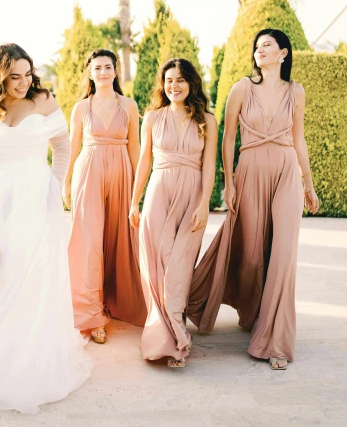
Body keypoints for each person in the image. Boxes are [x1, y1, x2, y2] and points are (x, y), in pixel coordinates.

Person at [0, 43, 91, 413]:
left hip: (36, 199)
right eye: (14, 76)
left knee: (31, 276)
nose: (23, 82)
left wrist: (55, 185)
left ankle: (29, 357)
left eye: (27, 74)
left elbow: (62, 145)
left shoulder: (44, 99)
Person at [187, 29, 320, 370]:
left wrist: (309, 183)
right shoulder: (242, 88)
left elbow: (299, 138)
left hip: (286, 172)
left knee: (283, 255)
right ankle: (248, 308)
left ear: (283, 54)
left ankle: (275, 341)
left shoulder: (297, 92)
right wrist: (228, 182)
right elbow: (228, 136)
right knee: (249, 255)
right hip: (249, 170)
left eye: (268, 46)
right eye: (257, 46)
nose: (260, 50)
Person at [129, 59, 217, 366]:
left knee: (179, 266)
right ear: (162, 84)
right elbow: (143, 162)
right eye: (168, 80)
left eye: (180, 80)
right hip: (159, 194)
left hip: (192, 195)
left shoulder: (207, 119)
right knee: (159, 265)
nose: (174, 86)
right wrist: (134, 200)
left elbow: (209, 166)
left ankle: (177, 328)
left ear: (191, 83)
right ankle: (168, 338)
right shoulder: (152, 118)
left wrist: (204, 202)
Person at [65, 49, 146, 344]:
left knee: (120, 238)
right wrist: (65, 181)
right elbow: (73, 147)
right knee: (87, 242)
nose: (103, 72)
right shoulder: (80, 108)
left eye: (108, 67)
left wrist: (139, 184)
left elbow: (135, 146)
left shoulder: (130, 105)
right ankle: (91, 314)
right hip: (89, 172)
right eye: (97, 68)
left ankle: (118, 301)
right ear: (90, 73)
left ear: (116, 71)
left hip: (122, 172)